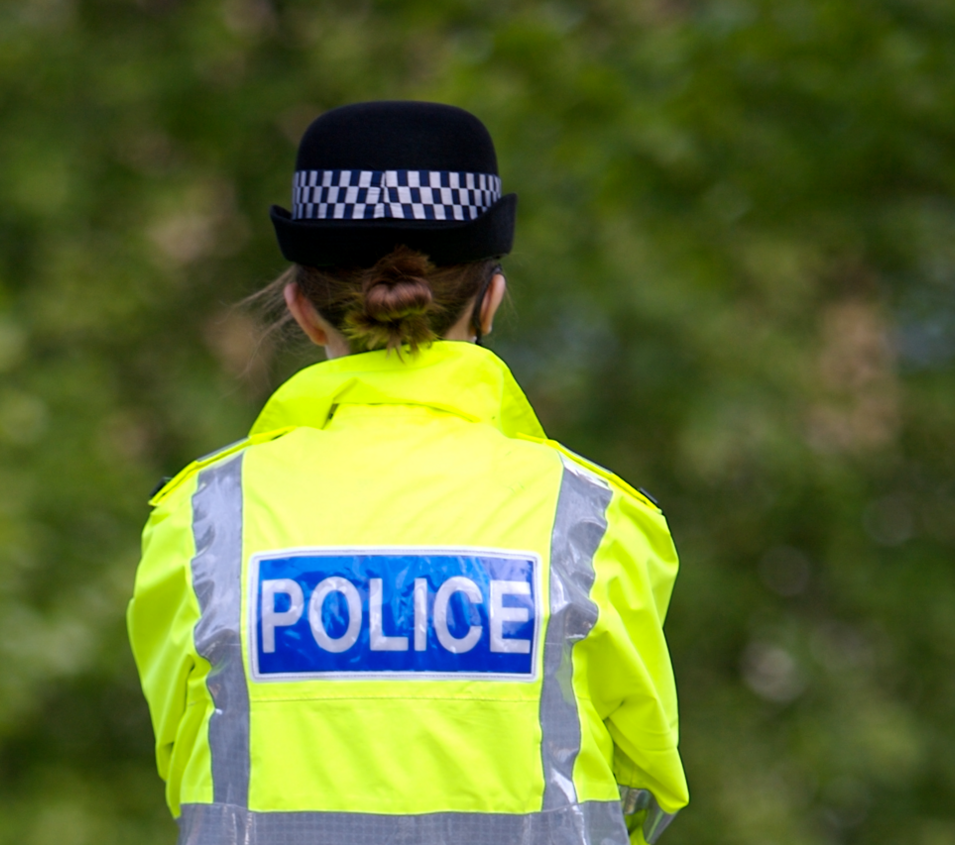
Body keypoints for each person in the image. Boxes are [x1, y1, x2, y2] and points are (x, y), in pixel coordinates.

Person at [128, 101, 688, 845]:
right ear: (490, 300)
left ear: (302, 309)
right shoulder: (597, 520)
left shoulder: (200, 519)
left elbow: (186, 762)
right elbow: (644, 786)